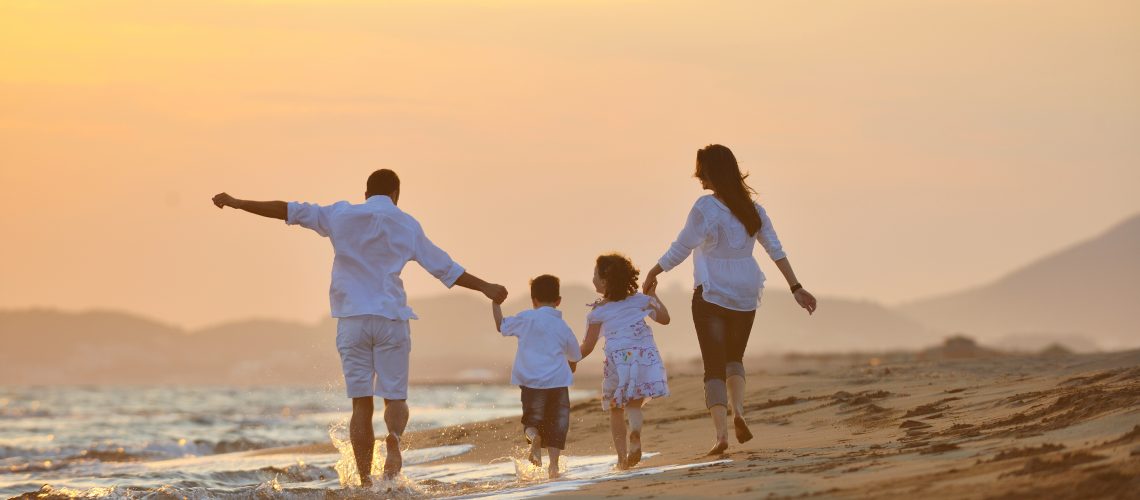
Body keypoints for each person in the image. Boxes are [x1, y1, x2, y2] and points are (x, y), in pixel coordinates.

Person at [211, 169, 508, 485]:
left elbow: (287, 210)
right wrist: (485, 286)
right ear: (396, 194)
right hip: (391, 319)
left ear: (365, 193)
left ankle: (365, 480)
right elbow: (445, 268)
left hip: (352, 322)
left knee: (361, 404)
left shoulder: (341, 214)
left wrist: (239, 202)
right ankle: (393, 437)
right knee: (395, 398)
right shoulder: (406, 224)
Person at [642, 144, 817, 456]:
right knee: (734, 359)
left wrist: (655, 271)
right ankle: (739, 411)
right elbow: (776, 249)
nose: (698, 178)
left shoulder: (705, 208)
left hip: (711, 293)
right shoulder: (754, 210)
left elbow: (682, 246)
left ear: (711, 172)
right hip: (745, 293)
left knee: (713, 366)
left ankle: (721, 436)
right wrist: (796, 287)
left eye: (702, 171)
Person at [579, 254, 670, 469]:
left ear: (603, 282)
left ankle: (621, 459)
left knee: (615, 407)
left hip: (619, 359)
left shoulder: (598, 312)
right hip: (643, 355)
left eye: (595, 274)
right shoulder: (639, 300)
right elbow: (665, 319)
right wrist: (653, 295)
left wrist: (570, 360)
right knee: (634, 403)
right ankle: (636, 434)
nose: (592, 279)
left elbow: (588, 346)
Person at [491, 274, 581, 479]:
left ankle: (534, 440)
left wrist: (495, 304)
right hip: (558, 383)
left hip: (531, 383)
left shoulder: (525, 318)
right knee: (558, 424)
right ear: (558, 301)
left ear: (534, 301)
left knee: (531, 422)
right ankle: (554, 468)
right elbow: (575, 354)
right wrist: (572, 365)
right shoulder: (562, 326)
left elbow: (501, 326)